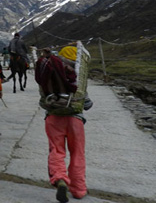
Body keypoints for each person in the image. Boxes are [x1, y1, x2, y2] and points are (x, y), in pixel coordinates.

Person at [34, 46, 91, 202]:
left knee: (56, 150)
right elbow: (87, 104)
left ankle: (60, 180)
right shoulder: (78, 81)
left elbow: (43, 102)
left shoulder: (50, 75)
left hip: (53, 119)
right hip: (75, 120)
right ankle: (79, 189)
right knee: (77, 153)